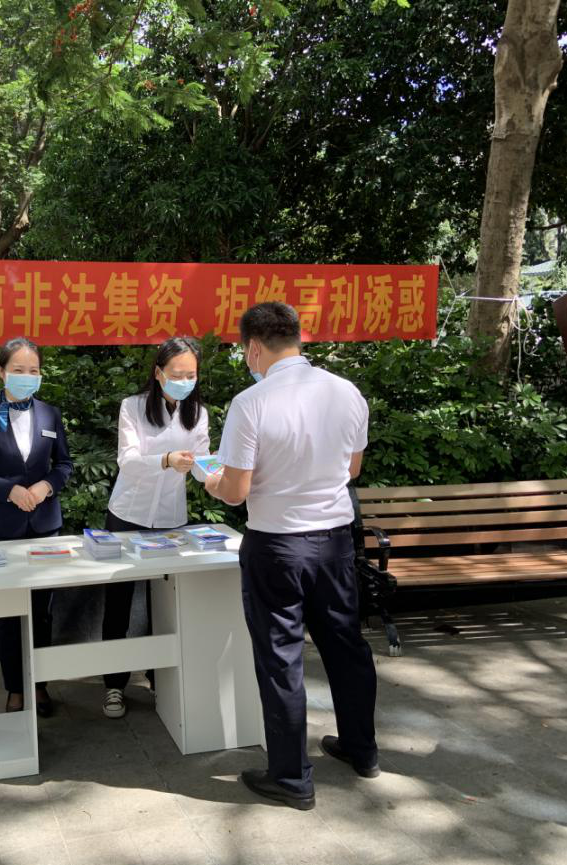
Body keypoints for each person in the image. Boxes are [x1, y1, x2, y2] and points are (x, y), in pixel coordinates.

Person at [204, 301, 377, 811]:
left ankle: (291, 777)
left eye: (244, 350)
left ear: (254, 347)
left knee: (281, 658)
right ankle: (362, 749)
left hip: (277, 545)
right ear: (297, 339)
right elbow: (352, 469)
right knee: (345, 645)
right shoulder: (346, 391)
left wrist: (212, 482)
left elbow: (236, 491)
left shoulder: (251, 402)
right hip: (335, 542)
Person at [0, 337, 73, 716]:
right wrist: (8, 490)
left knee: (42, 612)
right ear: (1, 372)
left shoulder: (50, 415)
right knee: (9, 614)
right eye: (19, 370)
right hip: (4, 529)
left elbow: (64, 465)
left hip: (45, 528)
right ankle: (15, 688)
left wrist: (46, 486)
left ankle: (39, 685)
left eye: (34, 370)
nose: (27, 376)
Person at [101, 336, 211, 719]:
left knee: (164, 602)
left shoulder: (197, 413)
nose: (184, 381)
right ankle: (114, 684)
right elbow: (128, 461)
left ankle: (160, 678)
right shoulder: (132, 407)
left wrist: (218, 474)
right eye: (177, 374)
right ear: (159, 373)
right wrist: (165, 459)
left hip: (169, 519)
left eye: (191, 375)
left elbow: (202, 463)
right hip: (127, 515)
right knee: (118, 601)